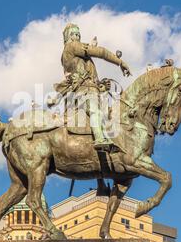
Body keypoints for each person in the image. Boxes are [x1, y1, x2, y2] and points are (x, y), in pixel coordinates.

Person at [51, 23, 131, 152]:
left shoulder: (75, 53)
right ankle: (99, 138)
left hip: (87, 88)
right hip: (84, 89)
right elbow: (101, 52)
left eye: (78, 34)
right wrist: (119, 62)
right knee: (95, 110)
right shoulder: (72, 46)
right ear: (69, 37)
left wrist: (101, 86)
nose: (77, 36)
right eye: (74, 34)